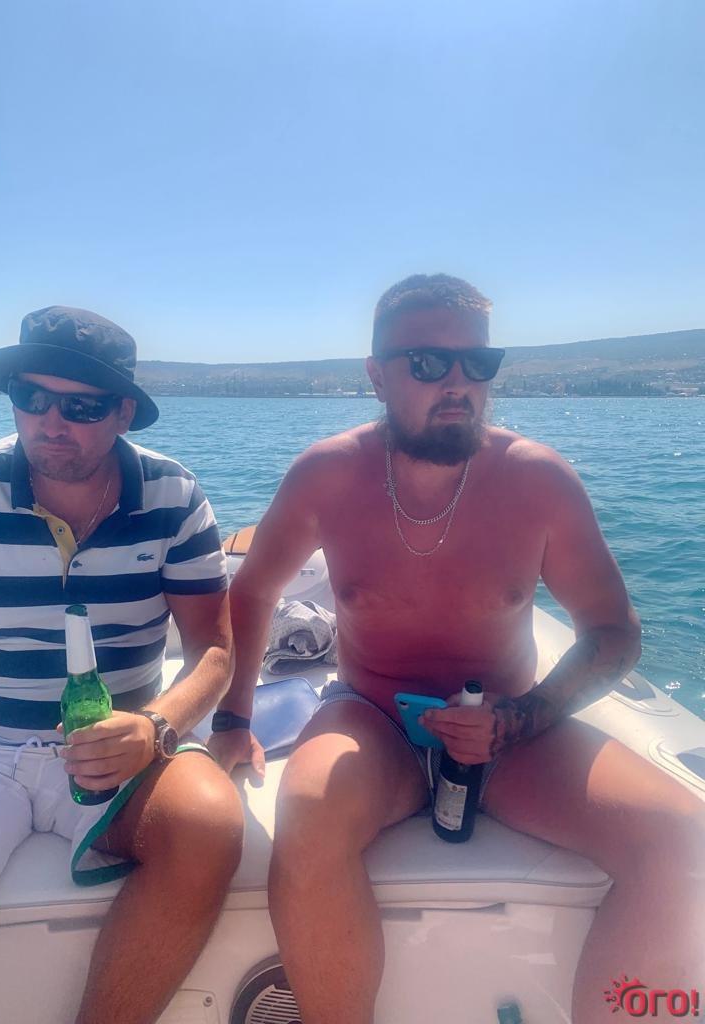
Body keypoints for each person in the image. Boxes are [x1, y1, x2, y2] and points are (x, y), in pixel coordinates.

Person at [209, 275, 705, 1024]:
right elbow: (250, 592)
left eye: (478, 363)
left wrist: (520, 717)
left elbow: (613, 632)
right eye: (428, 362)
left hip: (512, 732)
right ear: (376, 375)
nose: (458, 384)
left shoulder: (538, 481)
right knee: (308, 813)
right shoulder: (327, 474)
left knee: (681, 840)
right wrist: (232, 720)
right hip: (372, 718)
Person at [0, 307, 243, 1024]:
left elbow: (214, 651)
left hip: (123, 736)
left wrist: (157, 728)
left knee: (207, 828)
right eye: (31, 397)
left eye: (80, 407)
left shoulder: (173, 497)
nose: (50, 422)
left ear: (123, 412)